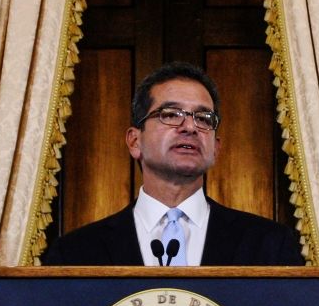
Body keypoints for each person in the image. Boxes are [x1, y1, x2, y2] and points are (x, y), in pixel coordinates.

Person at [44, 62, 304, 266]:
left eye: (204, 118)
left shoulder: (269, 245)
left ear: (215, 148)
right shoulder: (75, 253)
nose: (190, 127)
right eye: (171, 115)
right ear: (135, 141)